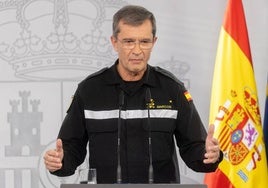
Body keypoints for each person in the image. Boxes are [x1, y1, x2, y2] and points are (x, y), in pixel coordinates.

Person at [43, 5, 223, 184]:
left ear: (154, 41)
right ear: (114, 42)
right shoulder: (90, 90)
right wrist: (60, 161)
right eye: (129, 41)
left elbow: (195, 150)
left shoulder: (172, 89)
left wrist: (208, 155)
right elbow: (71, 149)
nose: (137, 50)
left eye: (144, 41)